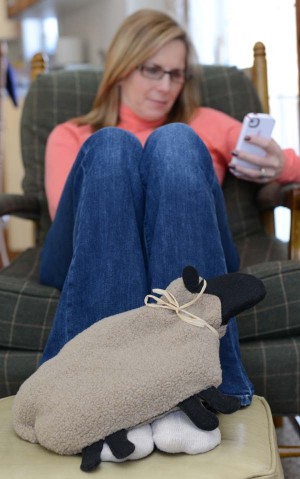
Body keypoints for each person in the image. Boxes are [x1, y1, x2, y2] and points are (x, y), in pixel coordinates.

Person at [39, 9, 300, 457]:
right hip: (94, 251)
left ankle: (185, 385)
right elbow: (83, 225)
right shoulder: (71, 133)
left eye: (176, 75)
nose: (164, 86)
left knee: (177, 140)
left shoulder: (207, 122)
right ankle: (94, 391)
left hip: (188, 249)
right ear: (123, 68)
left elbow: (283, 159)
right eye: (151, 70)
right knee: (111, 146)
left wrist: (280, 165)